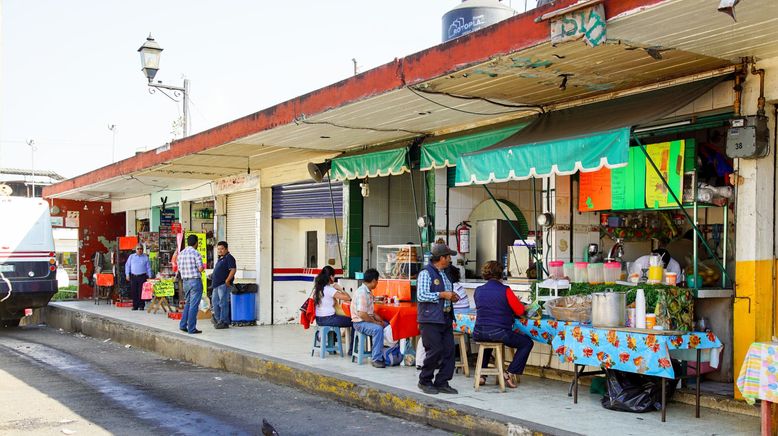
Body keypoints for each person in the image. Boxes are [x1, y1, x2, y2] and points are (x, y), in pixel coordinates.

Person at [473, 261, 533, 389]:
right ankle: (509, 373)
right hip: (499, 332)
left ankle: (482, 376)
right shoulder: (505, 290)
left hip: (478, 332)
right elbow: (520, 311)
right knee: (527, 343)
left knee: (488, 342)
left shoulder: (478, 290)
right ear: (501, 274)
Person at [417, 243, 460, 395]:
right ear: (441, 258)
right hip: (430, 319)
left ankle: (442, 381)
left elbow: (447, 292)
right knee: (434, 350)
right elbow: (421, 295)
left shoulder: (444, 273)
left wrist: (452, 297)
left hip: (445, 317)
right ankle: (425, 380)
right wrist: (442, 295)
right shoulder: (426, 273)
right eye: (448, 257)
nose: (450, 260)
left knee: (449, 351)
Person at [350, 268, 386, 368]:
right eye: (377, 281)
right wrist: (375, 322)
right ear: (374, 281)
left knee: (387, 325)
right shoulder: (362, 293)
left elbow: (371, 312)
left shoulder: (368, 292)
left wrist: (380, 320)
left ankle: (385, 353)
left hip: (366, 320)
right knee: (378, 329)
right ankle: (376, 359)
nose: (377, 283)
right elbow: (362, 314)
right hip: (359, 323)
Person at [178, 234, 205, 334]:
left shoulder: (181, 253)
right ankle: (192, 328)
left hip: (185, 281)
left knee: (188, 303)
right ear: (196, 243)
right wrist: (202, 267)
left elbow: (179, 269)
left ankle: (183, 324)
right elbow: (200, 268)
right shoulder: (195, 253)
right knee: (194, 305)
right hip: (195, 281)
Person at [211, 241, 236, 329]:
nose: (220, 250)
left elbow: (233, 270)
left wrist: (227, 280)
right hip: (216, 285)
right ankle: (218, 320)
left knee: (223, 303)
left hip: (223, 285)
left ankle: (224, 321)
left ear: (226, 249)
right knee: (215, 303)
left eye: (222, 249)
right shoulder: (221, 258)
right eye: (218, 249)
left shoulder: (229, 258)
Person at [125, 244, 153, 311]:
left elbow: (148, 267)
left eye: (141, 249)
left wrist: (150, 276)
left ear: (142, 250)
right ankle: (135, 306)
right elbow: (127, 266)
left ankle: (141, 305)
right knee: (134, 291)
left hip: (142, 276)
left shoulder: (145, 257)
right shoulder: (131, 257)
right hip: (133, 276)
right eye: (138, 249)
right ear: (135, 249)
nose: (139, 250)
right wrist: (127, 274)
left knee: (141, 291)